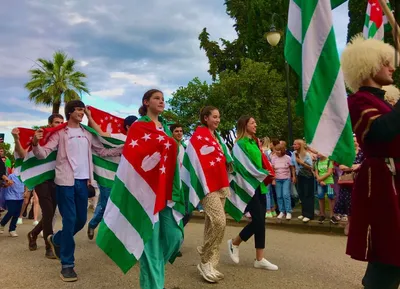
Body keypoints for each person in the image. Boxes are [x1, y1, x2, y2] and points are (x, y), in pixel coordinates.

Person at [31, 100, 123, 282]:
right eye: (80, 110)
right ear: (70, 112)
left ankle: (56, 240)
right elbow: (42, 153)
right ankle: (67, 265)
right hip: (65, 182)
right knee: (70, 220)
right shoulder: (60, 133)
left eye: (83, 110)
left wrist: (123, 148)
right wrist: (35, 142)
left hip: (83, 183)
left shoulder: (87, 134)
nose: (82, 113)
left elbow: (102, 151)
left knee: (80, 221)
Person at [341, 34, 400, 288]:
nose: (392, 67)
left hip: (394, 179)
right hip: (382, 182)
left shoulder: (385, 101)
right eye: (386, 62)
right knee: (388, 252)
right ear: (369, 65)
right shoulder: (358, 101)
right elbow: (380, 132)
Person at [134, 89, 183, 289]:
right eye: (156, 98)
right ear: (146, 102)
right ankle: (153, 283)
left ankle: (152, 268)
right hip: (147, 193)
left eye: (163, 99)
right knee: (151, 244)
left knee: (175, 236)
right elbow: (135, 157)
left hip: (166, 192)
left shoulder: (163, 129)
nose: (161, 102)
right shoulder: (139, 127)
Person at [183, 106, 232, 283]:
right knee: (220, 221)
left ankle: (210, 263)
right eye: (214, 117)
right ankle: (205, 253)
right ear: (205, 118)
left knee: (212, 225)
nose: (218, 120)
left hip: (221, 183)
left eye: (219, 117)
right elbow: (193, 160)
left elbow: (223, 159)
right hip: (206, 186)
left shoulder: (218, 138)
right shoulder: (197, 137)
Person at [227, 116, 278, 271]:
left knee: (260, 221)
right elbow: (243, 167)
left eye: (256, 122)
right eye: (252, 123)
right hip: (248, 187)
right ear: (244, 125)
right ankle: (234, 243)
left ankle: (259, 259)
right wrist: (263, 172)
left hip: (260, 185)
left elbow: (259, 162)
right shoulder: (239, 145)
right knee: (258, 221)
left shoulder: (255, 142)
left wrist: (266, 172)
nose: (255, 124)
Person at [85, 110, 137, 240]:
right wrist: (90, 117)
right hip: (109, 176)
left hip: (127, 180)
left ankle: (116, 235)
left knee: (124, 207)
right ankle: (93, 225)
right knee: (108, 203)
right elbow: (101, 135)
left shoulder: (141, 141)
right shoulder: (119, 138)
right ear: (128, 127)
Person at [292, 139, 314, 223]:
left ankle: (309, 214)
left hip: (307, 176)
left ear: (300, 145)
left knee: (308, 194)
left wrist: (301, 162)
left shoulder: (306, 154)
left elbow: (310, 167)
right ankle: (304, 213)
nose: (294, 146)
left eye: (295, 144)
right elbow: (293, 165)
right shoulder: (294, 154)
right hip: (299, 175)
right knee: (301, 194)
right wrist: (294, 176)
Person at [271, 144, 294, 220]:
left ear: (283, 150)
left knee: (285, 194)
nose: (277, 152)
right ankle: (281, 211)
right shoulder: (274, 158)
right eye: (276, 150)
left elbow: (292, 167)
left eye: (279, 150)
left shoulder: (287, 158)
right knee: (279, 196)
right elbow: (272, 169)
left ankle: (288, 211)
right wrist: (273, 179)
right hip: (277, 179)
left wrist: (293, 176)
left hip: (286, 178)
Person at [0, 169, 25, 237]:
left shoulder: (24, 176)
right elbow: (5, 185)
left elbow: (26, 185)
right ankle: (2, 224)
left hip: (20, 197)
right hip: (11, 196)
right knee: (11, 211)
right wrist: (7, 183)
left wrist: (26, 192)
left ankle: (12, 229)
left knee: (17, 214)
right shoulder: (11, 176)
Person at [314, 153, 336, 224]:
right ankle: (322, 215)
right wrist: (320, 181)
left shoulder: (329, 161)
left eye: (319, 153)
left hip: (329, 182)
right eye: (317, 153)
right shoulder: (317, 162)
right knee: (320, 197)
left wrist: (320, 179)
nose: (318, 154)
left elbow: (329, 172)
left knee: (331, 197)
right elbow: (316, 173)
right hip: (320, 183)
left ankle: (332, 215)